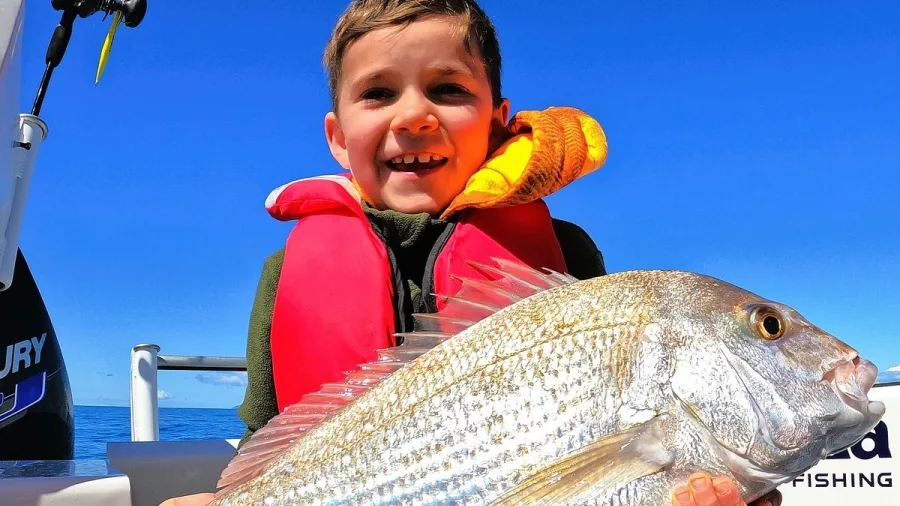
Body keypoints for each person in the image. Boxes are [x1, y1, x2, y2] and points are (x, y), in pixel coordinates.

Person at [161, 1, 783, 505]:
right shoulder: (283, 275)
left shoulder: (565, 253)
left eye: (448, 89)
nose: (414, 115)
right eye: (377, 93)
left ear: (496, 120)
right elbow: (266, 441)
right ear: (337, 138)